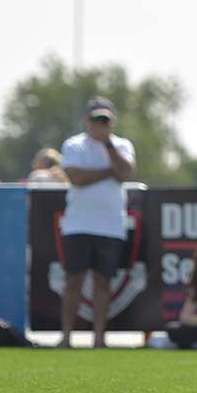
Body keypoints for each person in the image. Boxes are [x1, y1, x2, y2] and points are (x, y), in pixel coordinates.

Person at [57, 96, 136, 349]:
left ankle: (99, 338)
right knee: (74, 280)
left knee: (104, 281)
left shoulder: (122, 145)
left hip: (111, 225)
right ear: (86, 119)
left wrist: (109, 147)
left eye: (105, 119)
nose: (100, 123)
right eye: (95, 118)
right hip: (78, 224)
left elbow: (125, 172)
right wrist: (109, 172)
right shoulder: (74, 144)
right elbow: (76, 177)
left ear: (112, 121)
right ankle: (66, 337)